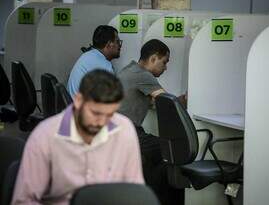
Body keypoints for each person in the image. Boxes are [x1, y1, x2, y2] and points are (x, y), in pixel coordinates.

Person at [12, 70, 144, 205]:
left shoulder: (124, 130)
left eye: (110, 114)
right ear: (78, 100)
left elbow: (134, 192)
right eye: (95, 113)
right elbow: (23, 201)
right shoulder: (45, 136)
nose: (101, 122)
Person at [118, 39, 186, 205]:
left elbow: (155, 102)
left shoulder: (129, 70)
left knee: (154, 157)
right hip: (126, 133)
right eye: (165, 62)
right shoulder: (143, 75)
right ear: (154, 58)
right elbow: (168, 103)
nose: (166, 67)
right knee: (173, 150)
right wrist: (188, 98)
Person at [67, 25, 122, 98]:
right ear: (109, 45)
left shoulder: (88, 55)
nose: (120, 46)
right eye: (117, 42)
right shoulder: (104, 66)